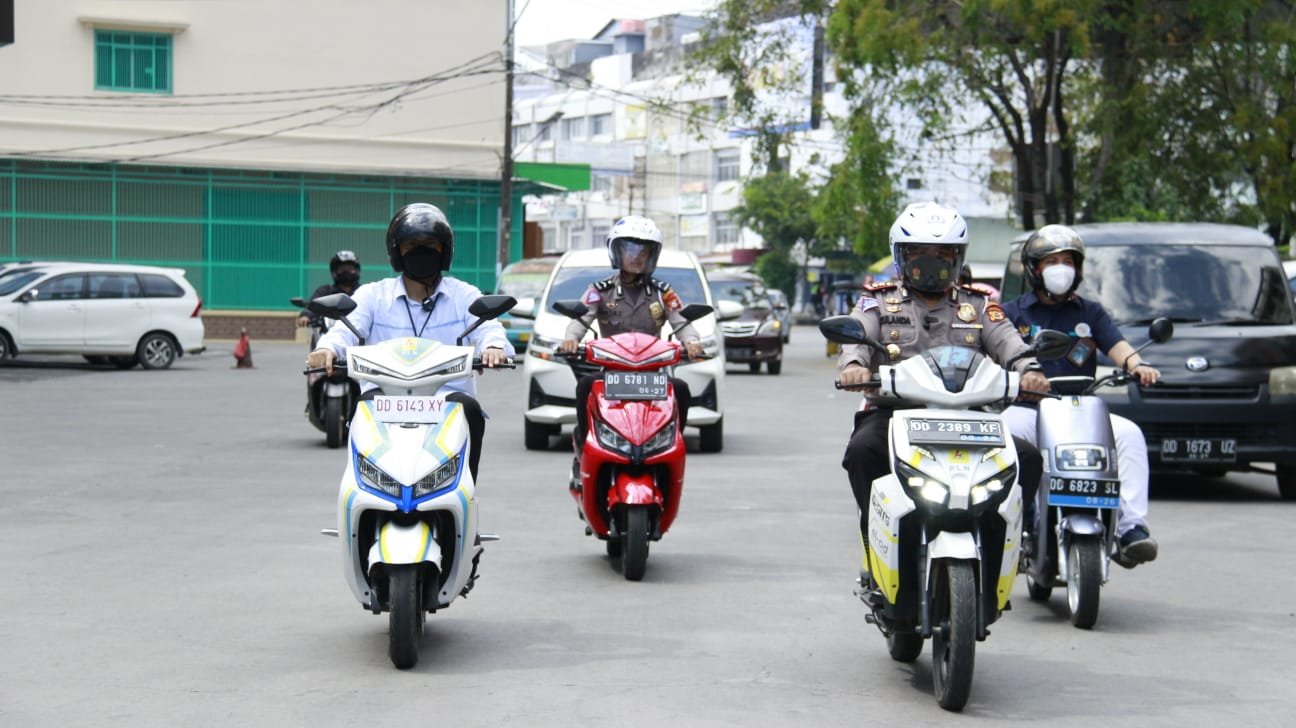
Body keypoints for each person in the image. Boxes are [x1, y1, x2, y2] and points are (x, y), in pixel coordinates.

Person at [837, 202, 1050, 574]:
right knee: (861, 451)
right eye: (919, 253)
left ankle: (1007, 538)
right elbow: (857, 337)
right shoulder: (878, 301)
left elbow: (1009, 342)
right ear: (900, 256)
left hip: (969, 418)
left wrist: (1029, 370)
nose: (931, 262)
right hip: (895, 413)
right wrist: (854, 366)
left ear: (958, 257)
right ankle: (876, 538)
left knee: (1027, 458)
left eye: (943, 254)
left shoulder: (980, 306)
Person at [306, 203, 512, 482]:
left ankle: (466, 491)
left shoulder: (464, 295)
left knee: (471, 410)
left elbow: (489, 328)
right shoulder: (373, 296)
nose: (421, 251)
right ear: (397, 252)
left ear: (444, 251)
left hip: (446, 401)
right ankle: (358, 504)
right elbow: (344, 330)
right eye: (412, 244)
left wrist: (494, 348)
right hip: (384, 399)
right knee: (360, 410)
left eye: (430, 244)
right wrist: (326, 349)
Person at [1000, 224, 1159, 567]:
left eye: (1068, 261)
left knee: (1130, 435)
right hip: (1028, 410)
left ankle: (1130, 530)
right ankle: (1014, 526)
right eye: (1052, 260)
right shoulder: (1012, 313)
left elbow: (1118, 346)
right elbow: (994, 352)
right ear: (1034, 268)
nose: (1062, 268)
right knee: (1008, 439)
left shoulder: (1090, 312)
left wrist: (1138, 364)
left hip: (1080, 410)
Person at [559, 215, 705, 453]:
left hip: (652, 374)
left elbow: (682, 321)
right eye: (630, 250)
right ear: (617, 252)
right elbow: (581, 318)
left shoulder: (662, 293)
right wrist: (571, 339)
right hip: (613, 373)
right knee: (586, 385)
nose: (637, 257)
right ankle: (584, 444)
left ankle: (670, 444)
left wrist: (692, 342)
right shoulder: (600, 290)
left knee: (680, 389)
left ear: (652, 256)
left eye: (644, 252)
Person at [297, 250, 362, 329]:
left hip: (358, 333)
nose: (346, 272)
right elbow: (312, 306)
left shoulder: (363, 291)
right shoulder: (325, 291)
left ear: (357, 270)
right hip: (328, 334)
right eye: (342, 269)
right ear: (334, 271)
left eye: (350, 268)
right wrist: (305, 316)